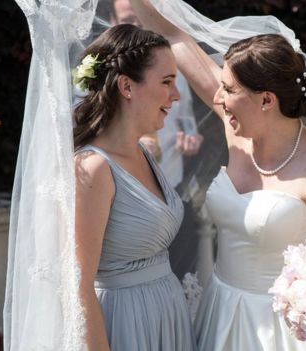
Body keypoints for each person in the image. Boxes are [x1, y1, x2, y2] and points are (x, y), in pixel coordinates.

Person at [128, 1, 306, 350]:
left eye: (229, 89)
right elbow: (173, 33)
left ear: (266, 100)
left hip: (283, 335)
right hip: (220, 313)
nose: (218, 97)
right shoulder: (239, 135)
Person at [73, 24, 195, 350]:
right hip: (125, 322)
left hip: (167, 315)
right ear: (127, 86)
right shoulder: (93, 169)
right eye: (167, 82)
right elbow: (78, 284)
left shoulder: (143, 151)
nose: (177, 94)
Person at [110, 0, 206, 280]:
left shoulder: (176, 80)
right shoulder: (97, 84)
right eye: (130, 19)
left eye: (143, 20)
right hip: (122, 203)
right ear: (113, 21)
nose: (138, 28)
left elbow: (188, 125)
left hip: (172, 192)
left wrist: (191, 141)